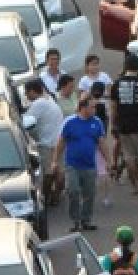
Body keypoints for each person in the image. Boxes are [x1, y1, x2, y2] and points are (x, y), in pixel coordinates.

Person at [53, 95, 106, 232]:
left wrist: (109, 160)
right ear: (83, 108)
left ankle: (86, 220)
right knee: (73, 191)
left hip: (89, 165)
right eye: (92, 107)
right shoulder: (70, 122)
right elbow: (61, 143)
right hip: (72, 165)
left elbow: (101, 143)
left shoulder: (97, 122)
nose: (95, 109)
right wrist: (55, 161)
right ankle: (75, 220)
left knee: (89, 194)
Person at [108, 55, 138, 195]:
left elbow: (113, 107)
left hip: (124, 126)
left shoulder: (116, 84)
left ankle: (136, 185)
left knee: (130, 156)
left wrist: (114, 124)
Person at [26, 80, 67, 208]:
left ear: (32, 91)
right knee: (59, 171)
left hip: (46, 143)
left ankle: (46, 198)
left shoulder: (38, 104)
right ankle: (56, 196)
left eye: (27, 93)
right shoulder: (50, 100)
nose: (27, 96)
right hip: (59, 141)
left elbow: (27, 122)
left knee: (48, 173)